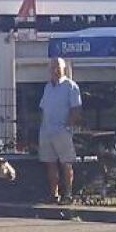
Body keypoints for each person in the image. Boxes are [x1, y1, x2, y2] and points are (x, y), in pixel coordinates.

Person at [39, 57, 83, 206]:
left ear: (64, 68)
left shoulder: (71, 86)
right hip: (47, 131)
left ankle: (68, 194)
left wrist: (67, 127)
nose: (54, 70)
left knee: (66, 163)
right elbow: (43, 109)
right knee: (50, 163)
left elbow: (76, 109)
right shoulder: (47, 87)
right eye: (52, 68)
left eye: (57, 67)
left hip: (62, 131)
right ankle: (54, 194)